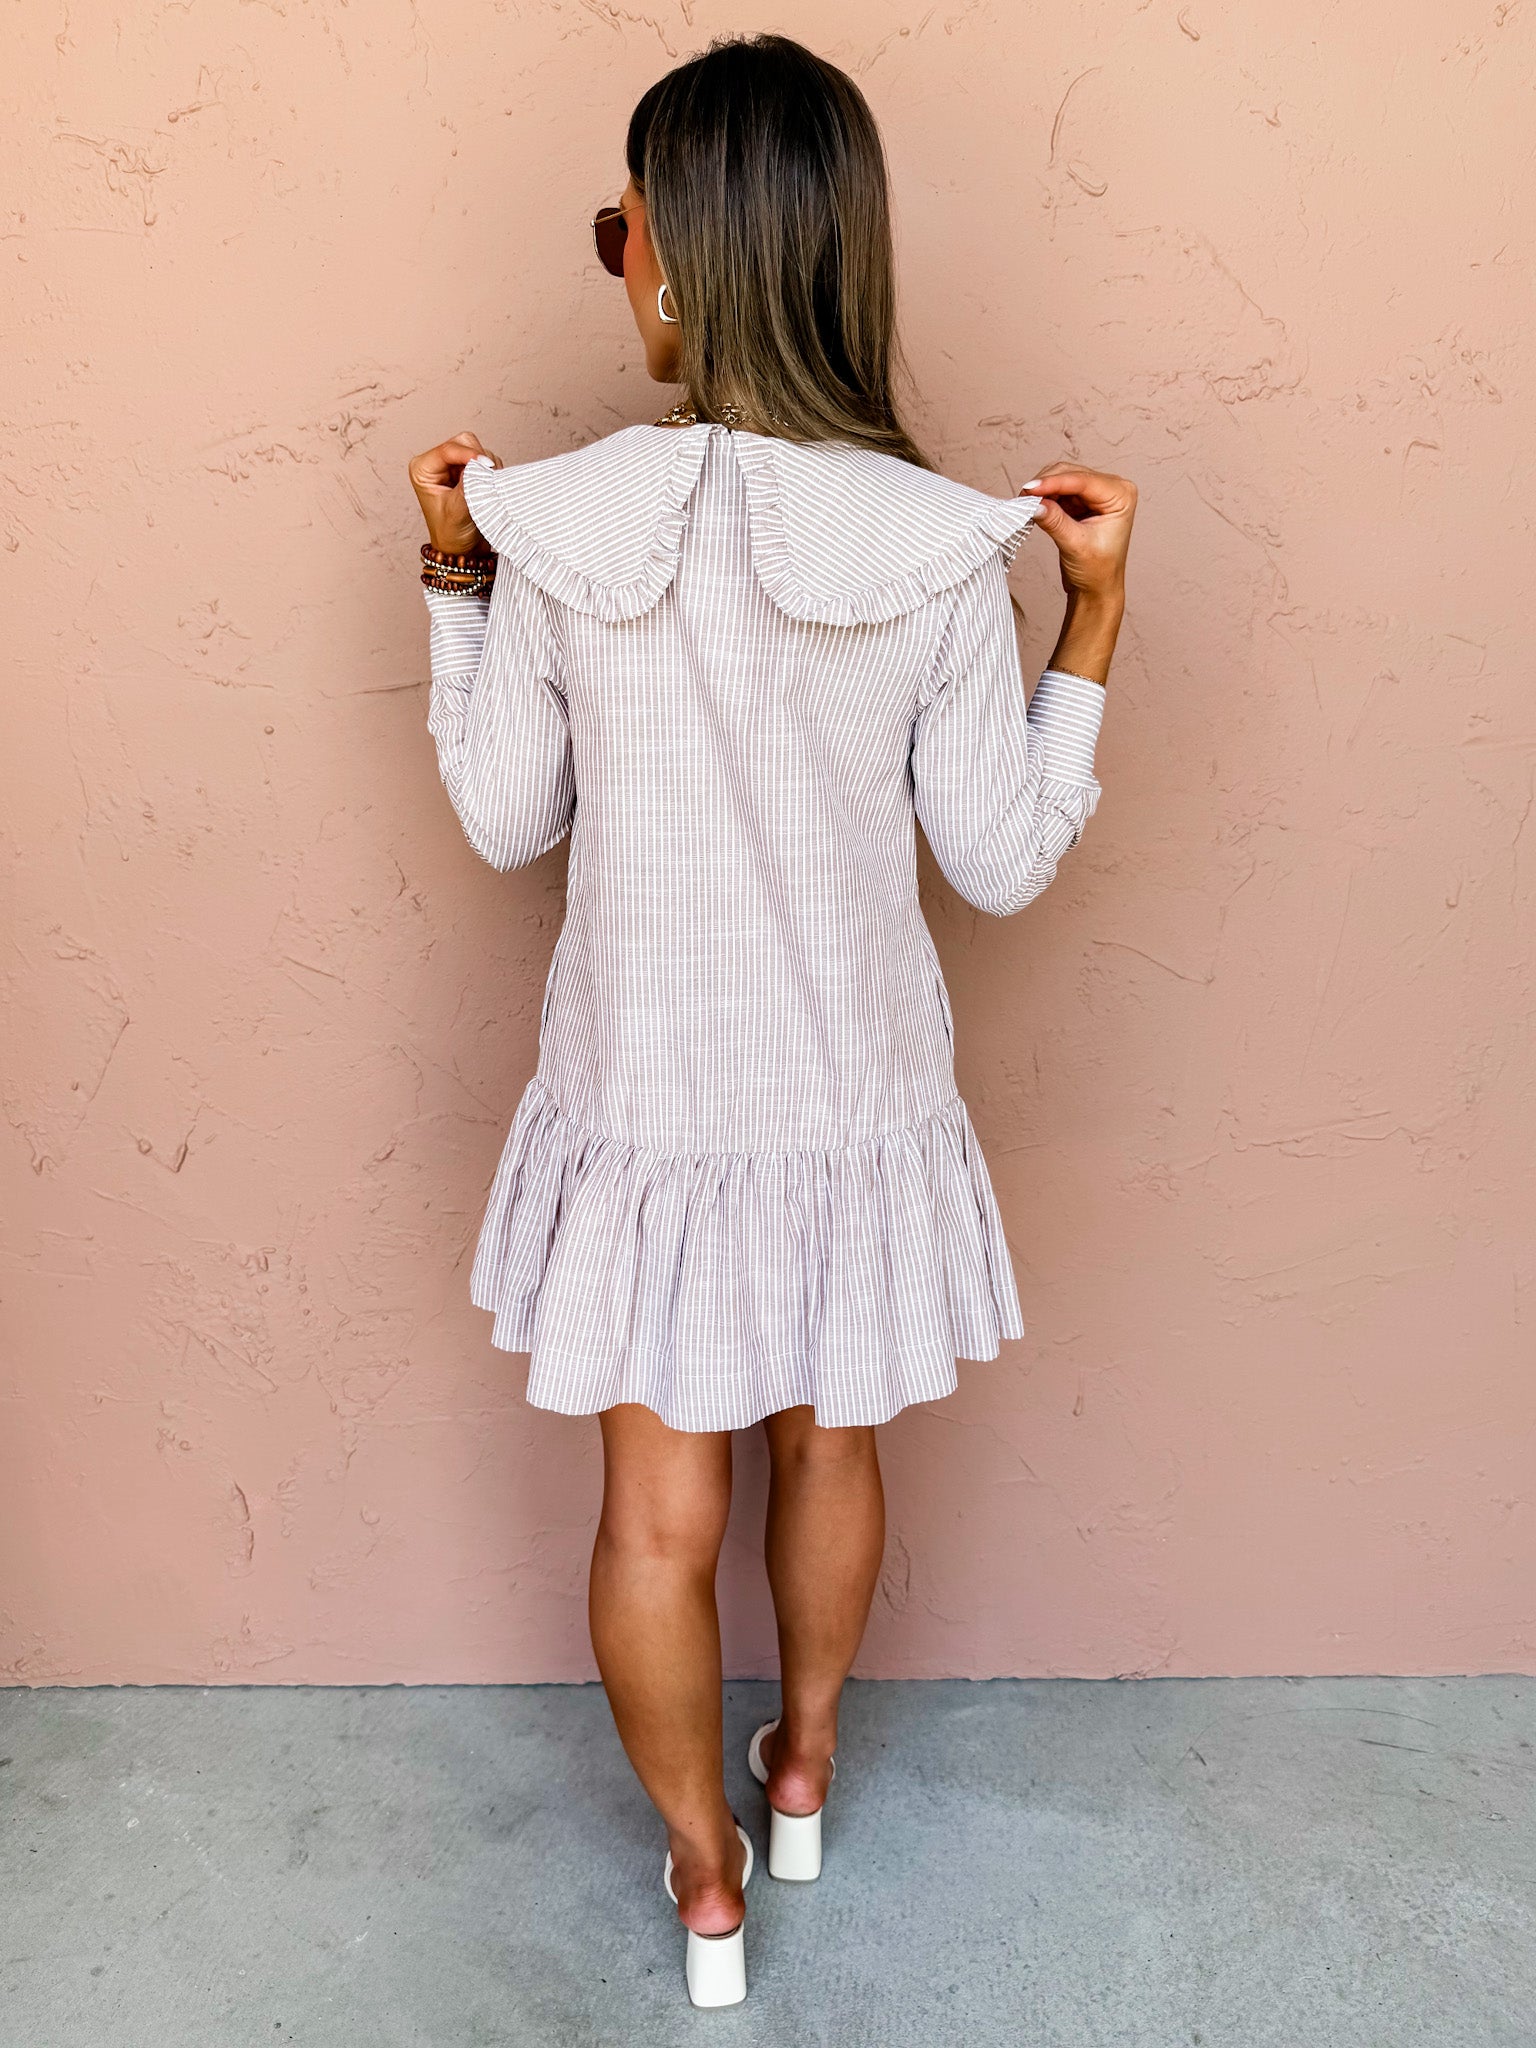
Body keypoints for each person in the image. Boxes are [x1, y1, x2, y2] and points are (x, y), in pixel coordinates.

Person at [407, 32, 1135, 2010]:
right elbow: (998, 863)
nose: (617, 261)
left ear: (675, 255)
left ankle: (709, 1884)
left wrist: (454, 573)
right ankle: (800, 1768)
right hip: (849, 1098)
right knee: (831, 1451)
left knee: (657, 1515)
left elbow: (506, 820)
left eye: (619, 227)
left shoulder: (557, 525)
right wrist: (1091, 619)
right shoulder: (933, 543)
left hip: (650, 1097)